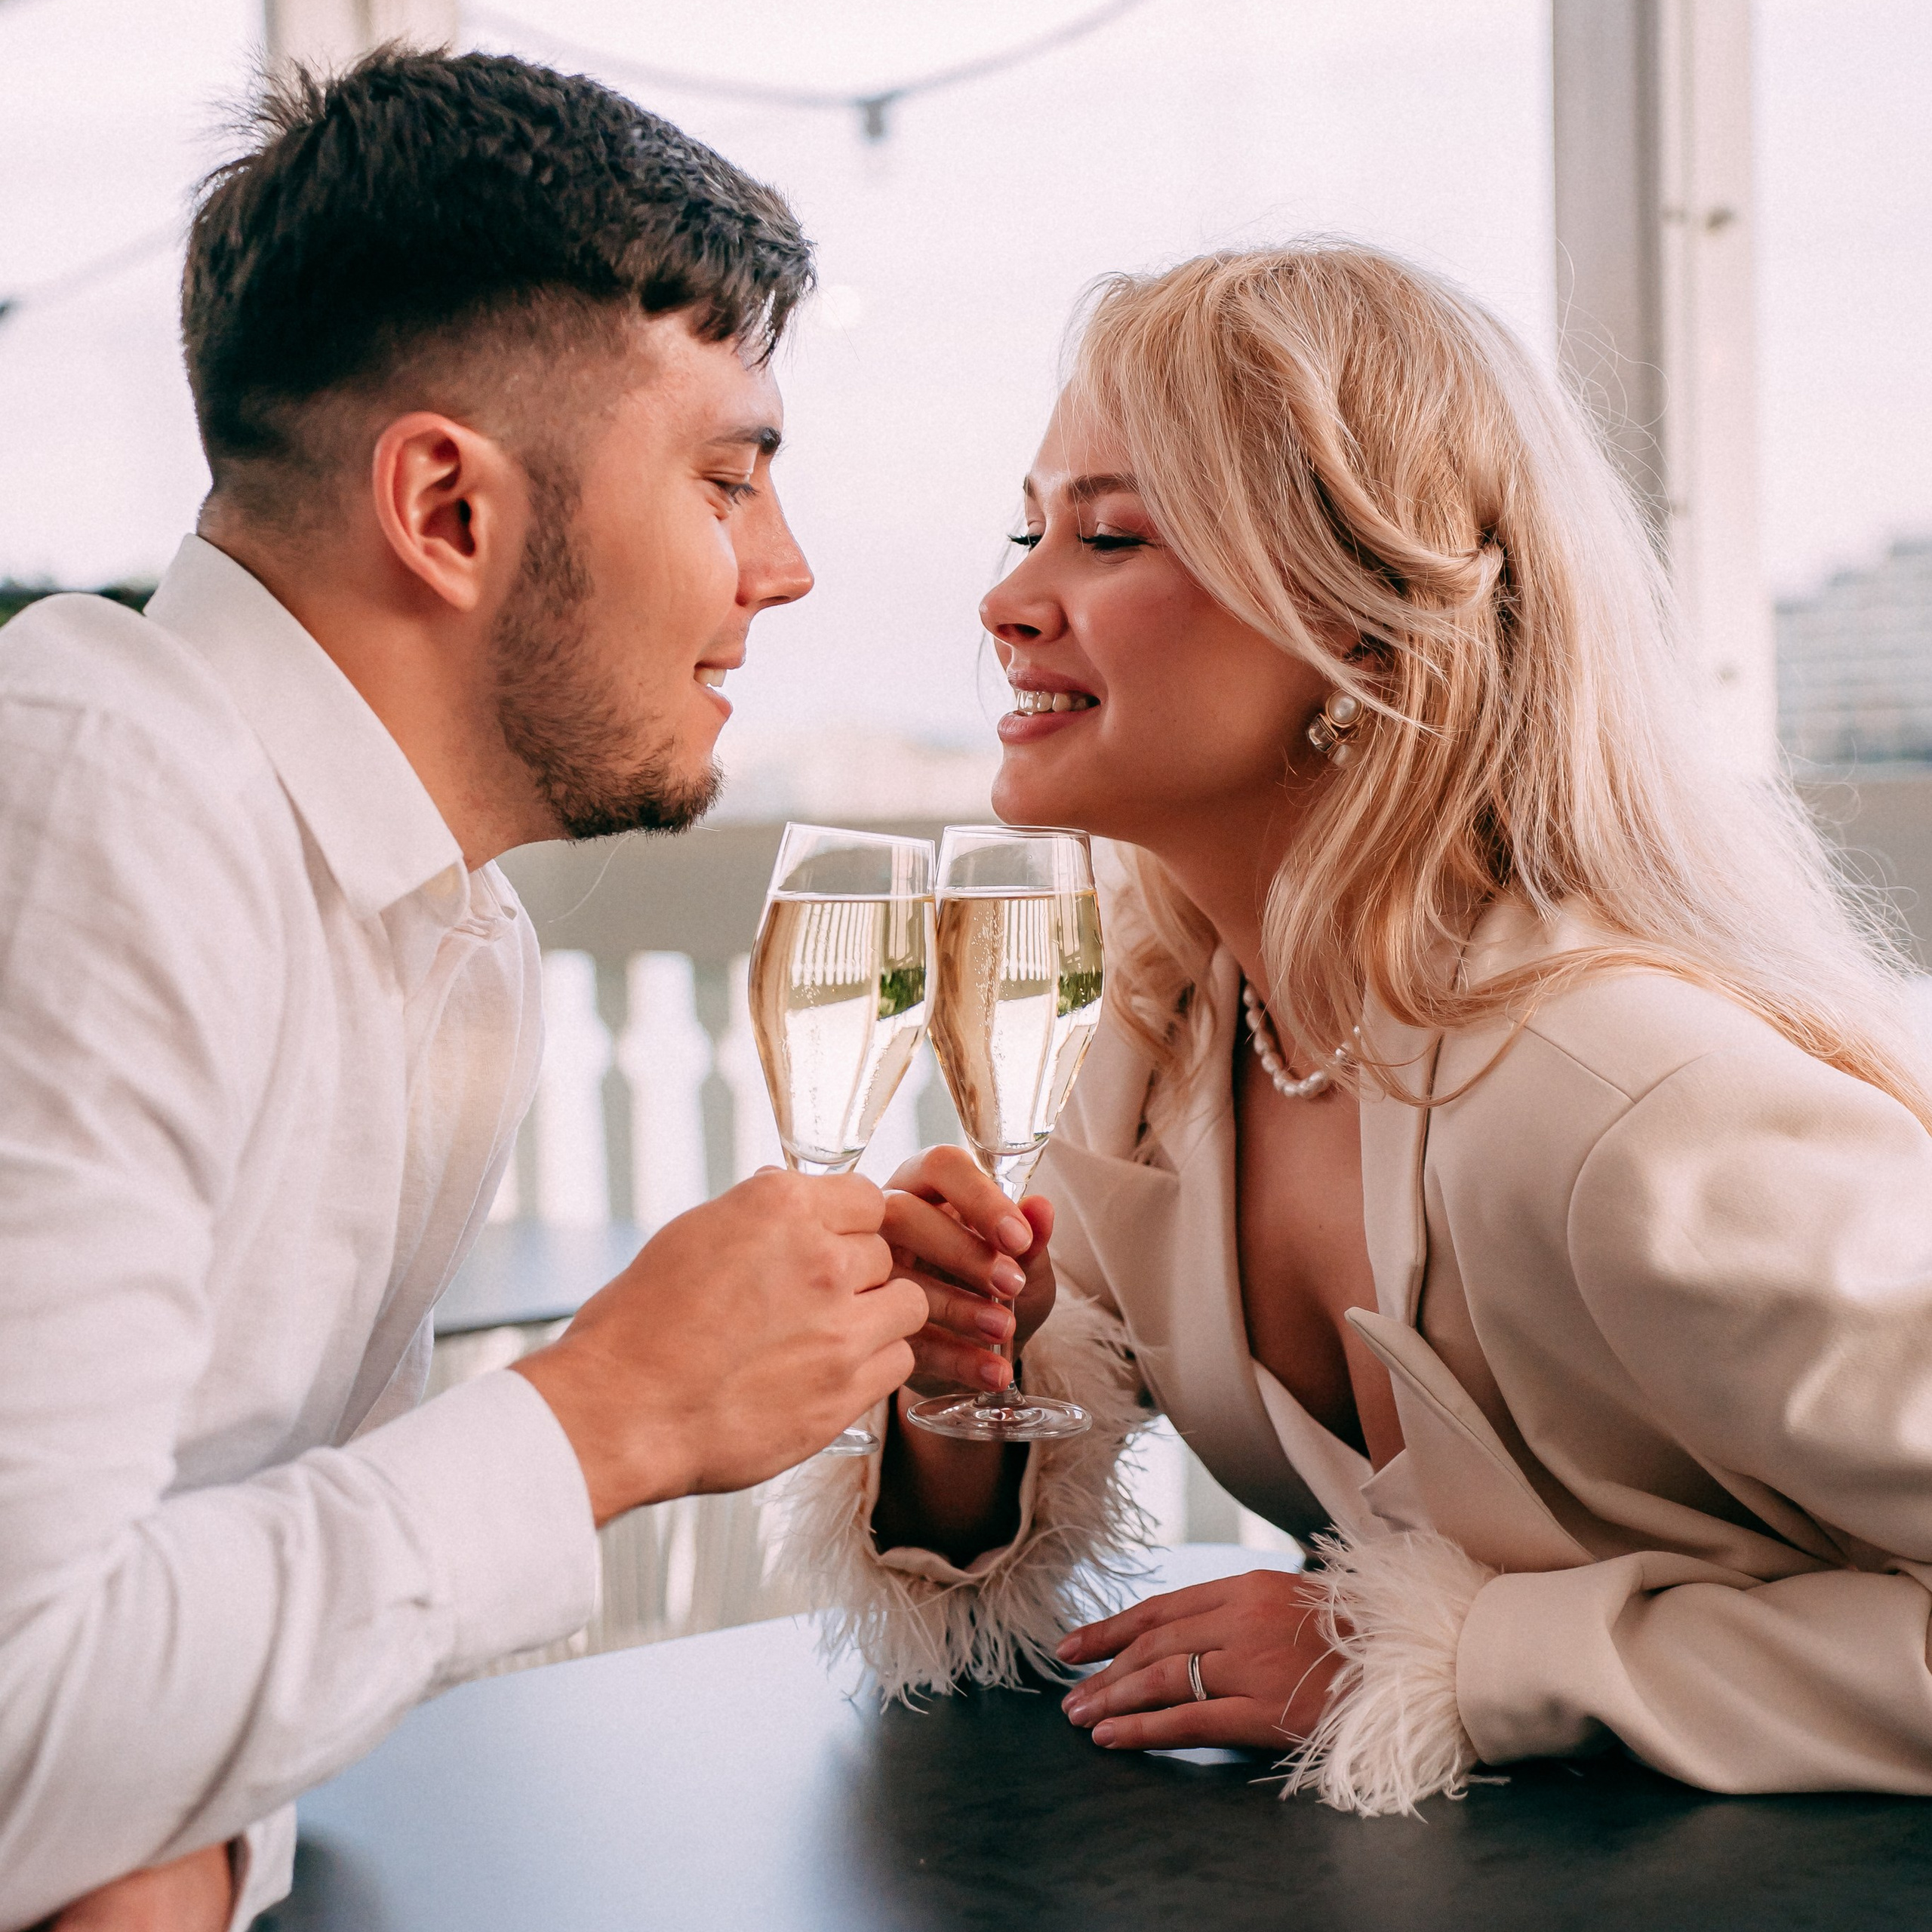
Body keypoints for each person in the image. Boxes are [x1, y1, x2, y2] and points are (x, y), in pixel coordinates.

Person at [0, 51, 1038, 1932]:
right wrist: (605, 1413)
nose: (784, 567)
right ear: (447, 509)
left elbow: (234, 1692)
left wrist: (185, 1841)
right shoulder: (91, 800)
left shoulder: (460, 942)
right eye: (726, 476)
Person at [795, 241, 1932, 1815]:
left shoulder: (1628, 1102)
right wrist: (952, 1380)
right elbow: (999, 1508)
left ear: (1362, 626)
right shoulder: (1161, 1036)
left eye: (1110, 534)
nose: (1004, 601)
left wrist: (1462, 1665)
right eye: (1027, 527)